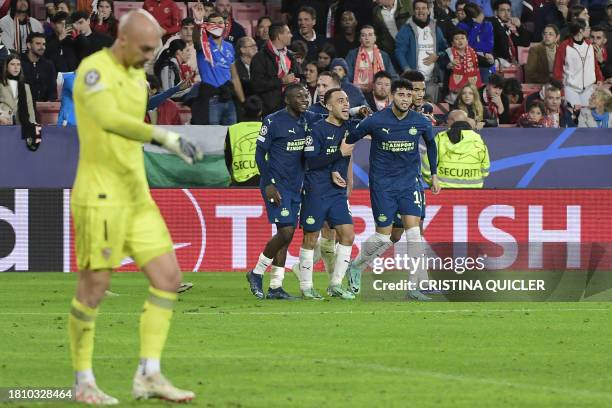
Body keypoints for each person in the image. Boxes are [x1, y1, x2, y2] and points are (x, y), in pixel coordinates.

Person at [68, 10, 202, 404]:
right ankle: (83, 382)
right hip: (100, 196)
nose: (149, 56)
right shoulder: (94, 71)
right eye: (144, 49)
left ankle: (149, 374)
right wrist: (163, 136)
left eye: (153, 49)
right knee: (94, 289)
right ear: (122, 40)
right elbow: (107, 119)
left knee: (167, 278)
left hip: (136, 194)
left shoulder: (134, 74)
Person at [345, 79, 441, 298]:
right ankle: (356, 265)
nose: (406, 99)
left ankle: (414, 287)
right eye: (401, 95)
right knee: (384, 237)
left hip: (409, 184)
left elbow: (432, 145)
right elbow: (350, 138)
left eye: (409, 95)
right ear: (392, 96)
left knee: (414, 233)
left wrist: (434, 174)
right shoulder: (375, 121)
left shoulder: (420, 121)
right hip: (383, 185)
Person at [246, 84, 320, 300]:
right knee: (286, 232)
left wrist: (355, 112)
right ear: (287, 100)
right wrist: (267, 182)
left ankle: (276, 286)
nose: (304, 99)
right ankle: (256, 272)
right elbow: (260, 155)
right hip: (276, 186)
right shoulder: (273, 121)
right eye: (299, 97)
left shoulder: (309, 118)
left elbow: (331, 115)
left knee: (285, 236)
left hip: (296, 185)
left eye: (306, 96)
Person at [297, 88, 356, 300]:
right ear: (329, 106)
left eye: (347, 100)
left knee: (348, 235)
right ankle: (306, 286)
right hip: (316, 190)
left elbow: (370, 123)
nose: (345, 104)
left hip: (337, 192)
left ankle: (335, 284)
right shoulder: (317, 129)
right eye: (340, 101)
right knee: (311, 236)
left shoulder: (350, 126)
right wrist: (338, 155)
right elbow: (310, 162)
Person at [190, 12, 245, 125]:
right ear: (207, 26)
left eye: (220, 23)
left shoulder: (229, 47)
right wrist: (198, 23)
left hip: (229, 99)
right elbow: (196, 39)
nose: (217, 25)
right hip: (211, 100)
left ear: (225, 25)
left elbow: (234, 77)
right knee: (212, 137)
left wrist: (242, 102)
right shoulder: (203, 44)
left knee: (230, 136)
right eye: (213, 23)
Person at [395, 0, 448, 102]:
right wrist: (406, 69)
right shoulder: (406, 29)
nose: (421, 11)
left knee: (431, 110)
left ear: (428, 10)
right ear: (413, 11)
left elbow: (444, 49)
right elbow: (399, 52)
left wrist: (437, 56)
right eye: (417, 8)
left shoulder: (436, 28)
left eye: (423, 8)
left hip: (432, 80)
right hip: (412, 81)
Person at [421, 109, 489, 188]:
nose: (446, 123)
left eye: (447, 121)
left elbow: (426, 168)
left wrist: (434, 184)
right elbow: (485, 169)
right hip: (473, 192)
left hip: (444, 192)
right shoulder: (478, 139)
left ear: (451, 121)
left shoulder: (440, 138)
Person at [250, 23, 299, 116]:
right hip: (269, 110)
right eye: (288, 32)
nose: (291, 35)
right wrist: (281, 81)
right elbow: (257, 85)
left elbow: (297, 75)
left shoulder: (290, 55)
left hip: (289, 107)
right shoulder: (260, 57)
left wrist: (297, 80)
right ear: (279, 36)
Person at [553, 19, 604, 107]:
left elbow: (594, 65)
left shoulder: (590, 45)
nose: (589, 29)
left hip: (588, 88)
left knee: (588, 115)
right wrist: (560, 92)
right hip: (571, 89)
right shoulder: (564, 46)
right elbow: (557, 71)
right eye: (587, 28)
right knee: (574, 116)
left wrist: (599, 78)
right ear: (581, 30)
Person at [224, 95, 263, 186]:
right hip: (265, 181)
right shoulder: (268, 128)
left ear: (243, 110)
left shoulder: (232, 129)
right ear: (260, 112)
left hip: (240, 181)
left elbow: (228, 158)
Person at [346, 25, 398, 92]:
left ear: (375, 38)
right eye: (363, 35)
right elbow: (347, 76)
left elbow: (393, 76)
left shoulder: (383, 55)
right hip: (358, 92)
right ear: (360, 39)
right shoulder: (352, 54)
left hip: (381, 93)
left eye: (370, 35)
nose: (367, 38)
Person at [439, 29, 484, 102]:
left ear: (467, 41)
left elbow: (485, 62)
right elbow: (442, 64)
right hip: (453, 94)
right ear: (452, 43)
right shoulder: (448, 53)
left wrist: (490, 60)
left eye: (462, 38)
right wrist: (449, 65)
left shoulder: (473, 52)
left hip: (470, 91)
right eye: (457, 39)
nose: (460, 41)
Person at [489, 0, 531, 66]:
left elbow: (525, 42)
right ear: (495, 12)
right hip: (497, 65)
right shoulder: (492, 24)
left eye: (508, 10)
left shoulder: (507, 30)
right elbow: (495, 24)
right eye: (503, 10)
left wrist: (519, 27)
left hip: (509, 65)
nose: (506, 13)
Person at [0, 53, 36, 126]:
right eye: (12, 64)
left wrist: (32, 123)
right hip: (3, 122)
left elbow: (30, 108)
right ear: (6, 67)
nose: (16, 67)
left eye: (18, 64)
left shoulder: (26, 86)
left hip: (20, 123)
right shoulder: (1, 84)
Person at [20, 32, 57, 102]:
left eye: (43, 44)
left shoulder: (48, 65)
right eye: (38, 44)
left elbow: (52, 91)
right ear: (29, 45)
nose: (42, 47)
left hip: (43, 107)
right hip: (23, 106)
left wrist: (47, 104)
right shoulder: (19, 63)